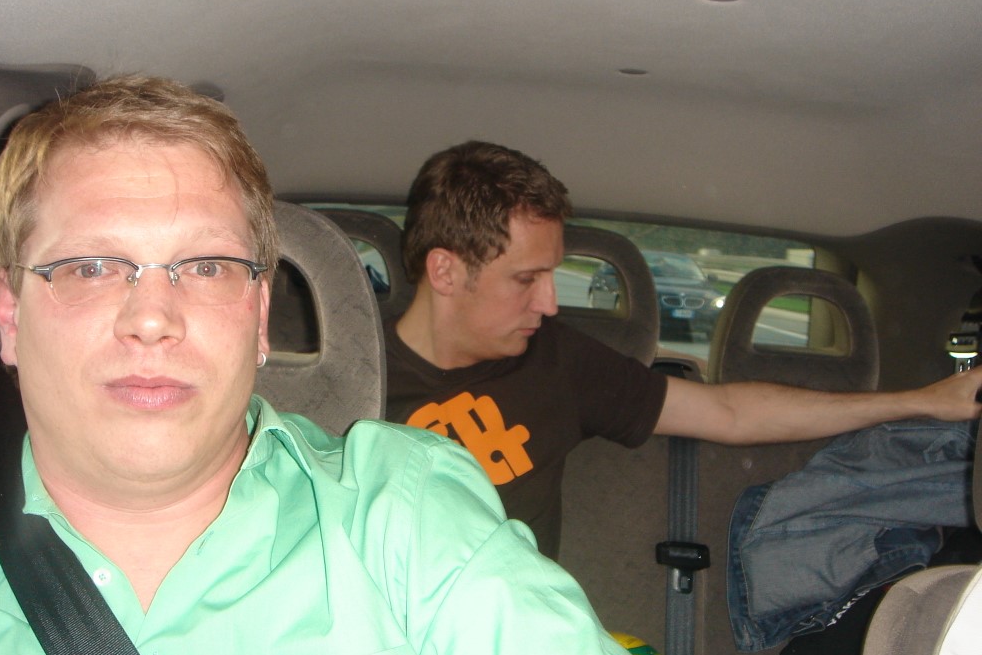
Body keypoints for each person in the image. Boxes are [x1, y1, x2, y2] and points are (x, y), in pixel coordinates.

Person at [0, 77, 680, 655]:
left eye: (206, 267)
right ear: (8, 314)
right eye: (89, 267)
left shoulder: (405, 510)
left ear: (260, 317)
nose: (151, 318)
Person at [385, 140, 982, 559]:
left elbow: (729, 412)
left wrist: (922, 401)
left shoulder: (557, 362)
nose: (550, 303)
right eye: (526, 279)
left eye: (553, 275)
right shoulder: (348, 374)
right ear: (445, 271)